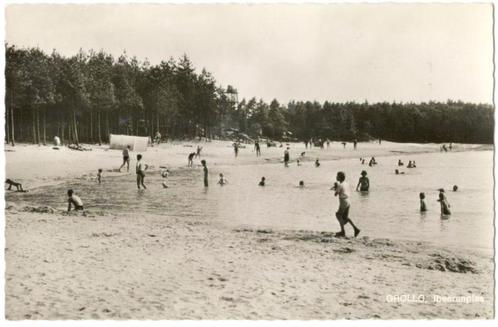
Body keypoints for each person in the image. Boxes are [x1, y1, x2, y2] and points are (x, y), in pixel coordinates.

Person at [332, 172, 360, 237]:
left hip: (343, 201)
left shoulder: (340, 185)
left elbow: (335, 194)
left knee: (338, 215)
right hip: (348, 200)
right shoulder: (346, 183)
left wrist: (335, 188)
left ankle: (342, 231)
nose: (336, 177)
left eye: (337, 176)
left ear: (340, 177)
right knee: (345, 217)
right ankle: (356, 229)